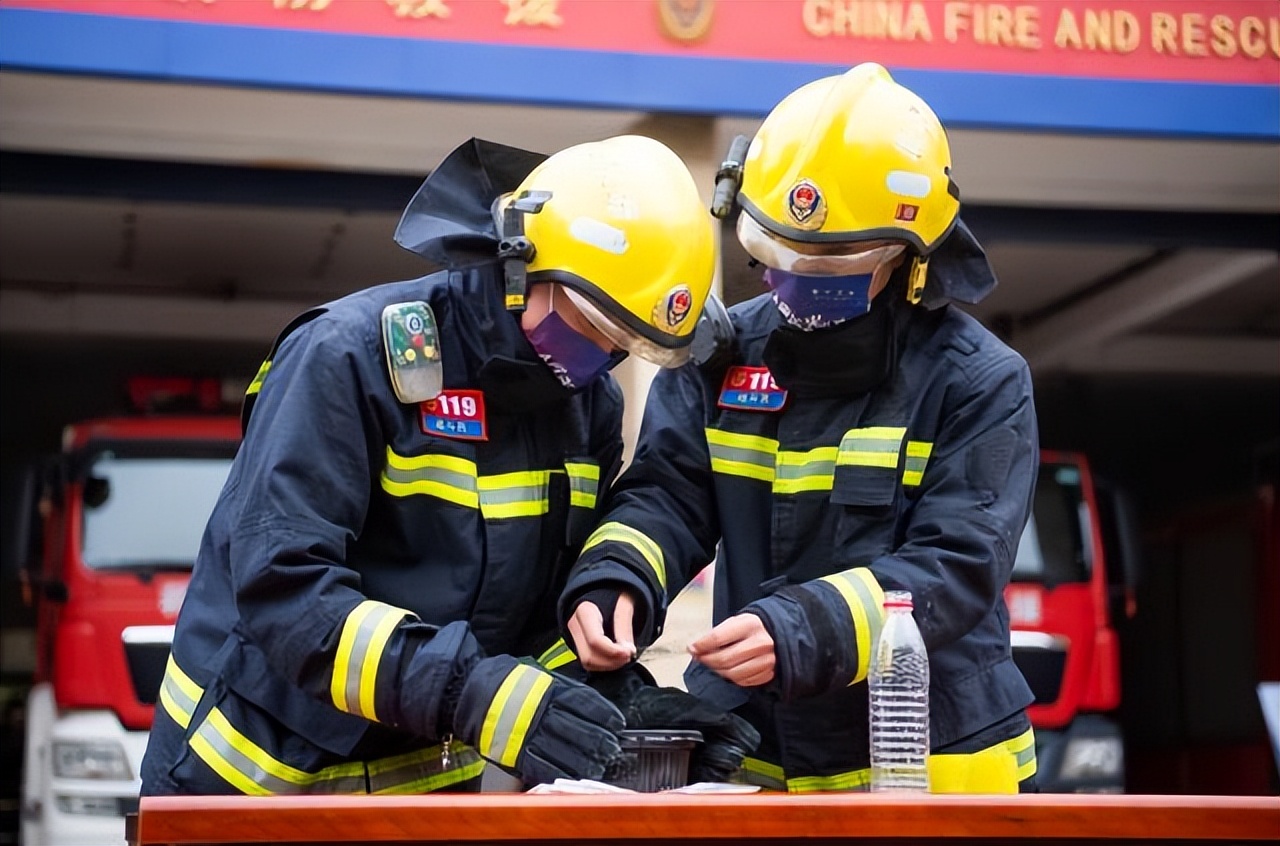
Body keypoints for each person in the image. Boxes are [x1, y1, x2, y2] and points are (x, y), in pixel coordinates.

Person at [140, 134, 726, 796]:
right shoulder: (347, 357)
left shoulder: (584, 407)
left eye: (622, 343)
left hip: (426, 793)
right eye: (589, 323)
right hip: (251, 780)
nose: (597, 355)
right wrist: (469, 693)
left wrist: (612, 699)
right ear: (520, 264)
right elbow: (289, 595)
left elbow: (534, 622)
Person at [560, 63, 1041, 794]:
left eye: (831, 260)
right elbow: (667, 496)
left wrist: (801, 629)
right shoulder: (720, 356)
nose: (792, 276)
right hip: (761, 750)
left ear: (909, 256)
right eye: (777, 251)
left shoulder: (979, 381)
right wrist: (617, 580)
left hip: (932, 759)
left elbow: (957, 565)